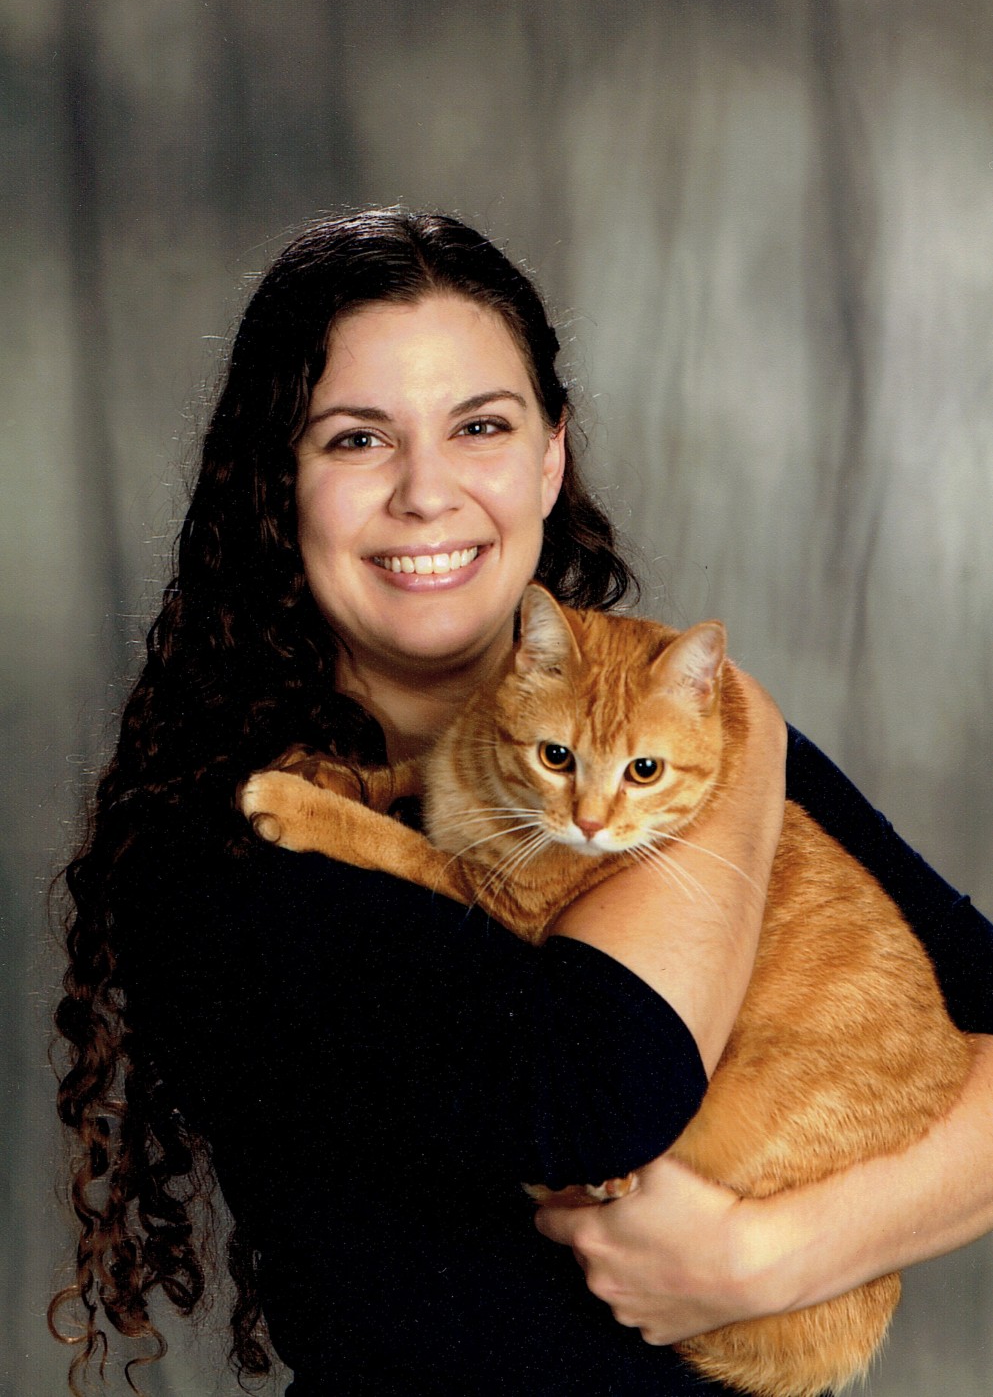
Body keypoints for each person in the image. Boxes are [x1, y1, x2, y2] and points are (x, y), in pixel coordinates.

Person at [49, 209, 993, 1396]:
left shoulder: (669, 722)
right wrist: (743, 742)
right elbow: (600, 1089)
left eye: (481, 427)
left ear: (550, 456)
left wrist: (776, 1255)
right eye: (355, 440)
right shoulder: (232, 841)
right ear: (278, 479)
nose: (427, 494)